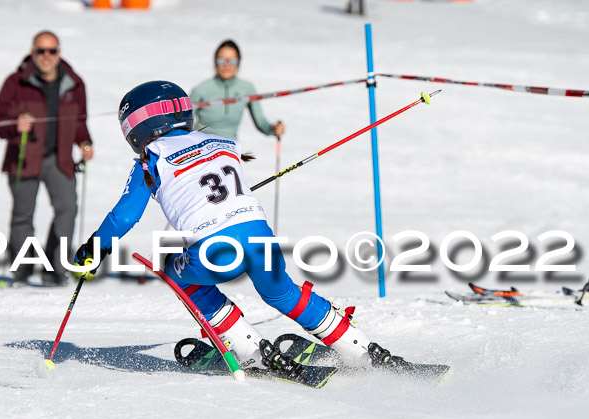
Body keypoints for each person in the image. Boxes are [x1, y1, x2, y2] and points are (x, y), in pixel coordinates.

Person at [71, 80, 411, 374]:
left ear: (137, 127)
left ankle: (251, 350)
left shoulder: (152, 158)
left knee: (174, 269)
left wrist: (93, 250)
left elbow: (125, 217)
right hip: (260, 238)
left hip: (213, 248)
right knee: (283, 293)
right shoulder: (221, 143)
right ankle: (362, 349)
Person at [0, 30, 94, 286]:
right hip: (24, 158)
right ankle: (22, 271)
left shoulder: (74, 84)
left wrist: (85, 141)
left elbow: (80, 121)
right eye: (41, 51)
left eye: (51, 51)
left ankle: (55, 270)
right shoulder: (15, 82)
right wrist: (15, 125)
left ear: (59, 53)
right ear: (32, 52)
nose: (46, 56)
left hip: (59, 158)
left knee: (67, 208)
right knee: (23, 215)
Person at [189, 39, 285, 141]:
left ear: (238, 62)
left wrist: (273, 129)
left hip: (231, 150)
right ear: (215, 61)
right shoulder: (200, 90)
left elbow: (261, 122)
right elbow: (183, 122)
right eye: (221, 60)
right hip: (203, 149)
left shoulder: (247, 88)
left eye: (232, 61)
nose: (227, 65)